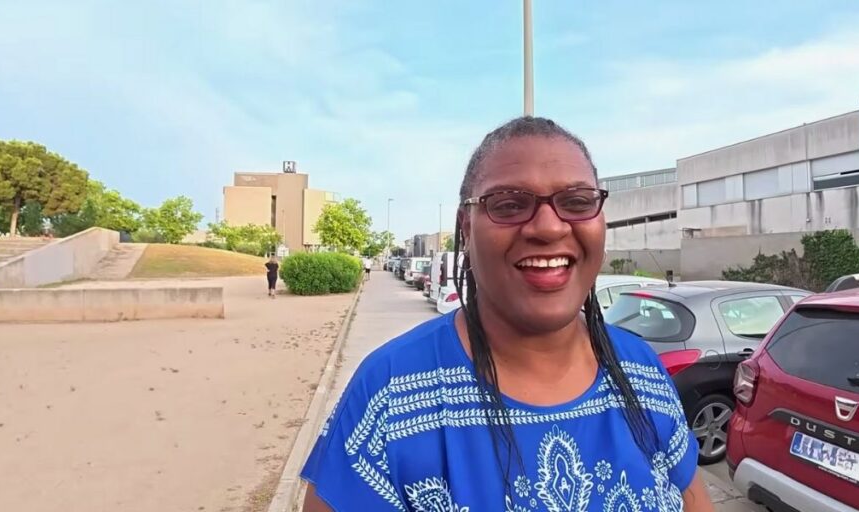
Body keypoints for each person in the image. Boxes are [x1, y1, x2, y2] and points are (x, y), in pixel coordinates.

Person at [301, 117, 713, 511]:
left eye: (576, 201)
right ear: (466, 226)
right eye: (510, 204)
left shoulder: (642, 372)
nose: (549, 228)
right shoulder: (388, 397)